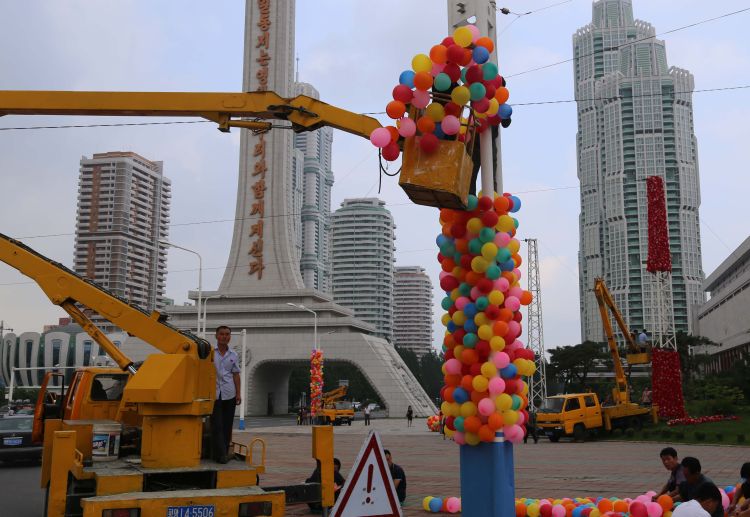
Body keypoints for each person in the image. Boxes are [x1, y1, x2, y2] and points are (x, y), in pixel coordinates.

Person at [211, 325, 241, 464]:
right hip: (214, 394)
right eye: (222, 334)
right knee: (217, 425)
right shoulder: (210, 353)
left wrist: (238, 394)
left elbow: (235, 375)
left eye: (227, 334)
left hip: (229, 393)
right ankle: (220, 454)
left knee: (227, 425)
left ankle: (223, 453)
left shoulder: (234, 354)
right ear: (216, 336)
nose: (224, 336)